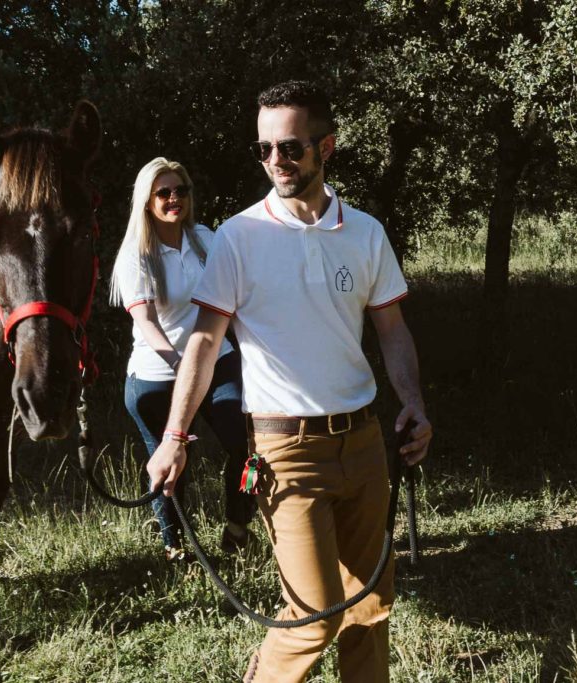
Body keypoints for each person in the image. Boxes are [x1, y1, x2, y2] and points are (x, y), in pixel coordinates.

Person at [147, 82, 433, 682]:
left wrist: (413, 404)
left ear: (325, 147)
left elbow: (393, 331)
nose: (275, 160)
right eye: (264, 150)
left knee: (373, 607)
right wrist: (174, 434)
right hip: (285, 451)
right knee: (314, 617)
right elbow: (203, 341)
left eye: (289, 147)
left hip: (363, 441)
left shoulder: (366, 233)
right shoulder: (239, 237)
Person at [110, 157, 256, 562]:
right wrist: (184, 367)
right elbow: (146, 323)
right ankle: (176, 547)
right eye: (164, 192)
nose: (175, 198)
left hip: (217, 359)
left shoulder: (205, 239)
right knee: (172, 463)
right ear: (147, 200)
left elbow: (235, 300)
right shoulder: (135, 256)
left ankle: (238, 528)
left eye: (182, 190)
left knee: (247, 446)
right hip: (157, 373)